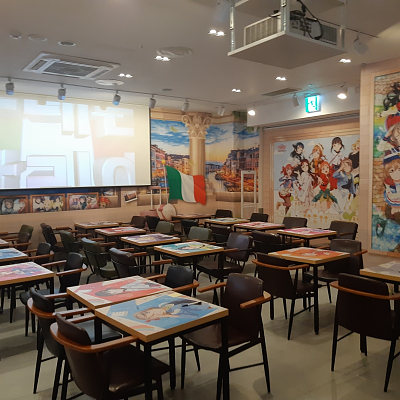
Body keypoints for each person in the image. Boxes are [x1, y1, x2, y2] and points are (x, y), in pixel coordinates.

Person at [134, 299, 211, 321]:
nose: (158, 314)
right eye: (155, 316)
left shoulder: (163, 302)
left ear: (150, 309)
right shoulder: (174, 314)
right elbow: (195, 317)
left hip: (203, 306)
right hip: (202, 311)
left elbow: (203, 305)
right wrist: (172, 315)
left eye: (152, 313)